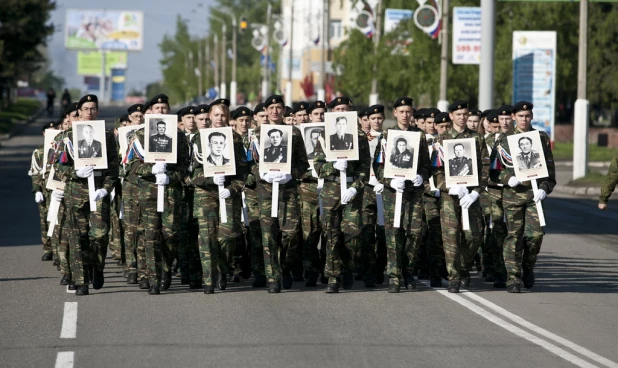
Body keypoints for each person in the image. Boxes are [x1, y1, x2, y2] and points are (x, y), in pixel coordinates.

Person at [490, 101, 555, 293]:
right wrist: (508, 178)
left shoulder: (541, 138)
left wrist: (544, 187)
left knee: (535, 236)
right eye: (520, 116)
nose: (524, 119)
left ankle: (528, 267)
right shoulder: (504, 140)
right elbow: (494, 172)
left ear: (532, 117)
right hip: (513, 196)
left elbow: (550, 170)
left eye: (527, 116)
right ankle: (513, 277)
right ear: (513, 117)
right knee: (514, 236)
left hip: (534, 195)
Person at [430, 100, 489, 293]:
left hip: (470, 195)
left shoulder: (477, 139)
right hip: (450, 196)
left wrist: (475, 192)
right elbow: (435, 170)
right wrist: (448, 187)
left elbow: (485, 168)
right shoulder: (442, 140)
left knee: (474, 235)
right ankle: (454, 277)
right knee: (451, 237)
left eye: (465, 114)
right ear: (451, 116)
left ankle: (463, 266)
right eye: (459, 114)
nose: (462, 117)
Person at [373, 97, 429, 292]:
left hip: (413, 193)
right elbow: (378, 167)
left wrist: (421, 176)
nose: (406, 115)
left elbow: (425, 164)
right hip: (393, 194)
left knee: (414, 233)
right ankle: (395, 276)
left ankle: (409, 272)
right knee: (394, 234)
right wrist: (389, 181)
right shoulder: (387, 137)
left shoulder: (419, 136)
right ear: (395, 113)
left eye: (409, 111)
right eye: (402, 111)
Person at [314, 98, 370, 293]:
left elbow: (365, 168)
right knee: (331, 234)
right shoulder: (324, 136)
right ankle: (333, 276)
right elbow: (318, 166)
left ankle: (348, 266)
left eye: (344, 109)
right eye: (337, 110)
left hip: (351, 190)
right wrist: (333, 166)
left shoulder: (360, 136)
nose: (340, 112)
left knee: (352, 234)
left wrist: (355, 187)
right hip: (331, 189)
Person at [254, 95, 309, 293]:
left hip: (288, 191)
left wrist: (290, 174)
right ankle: (273, 278)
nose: (275, 111)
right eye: (271, 107)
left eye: (279, 107)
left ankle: (285, 265)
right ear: (266, 111)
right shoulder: (256, 134)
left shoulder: (294, 133)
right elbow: (248, 165)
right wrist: (261, 173)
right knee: (269, 236)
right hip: (266, 192)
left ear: (284, 111)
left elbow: (304, 163)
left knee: (291, 235)